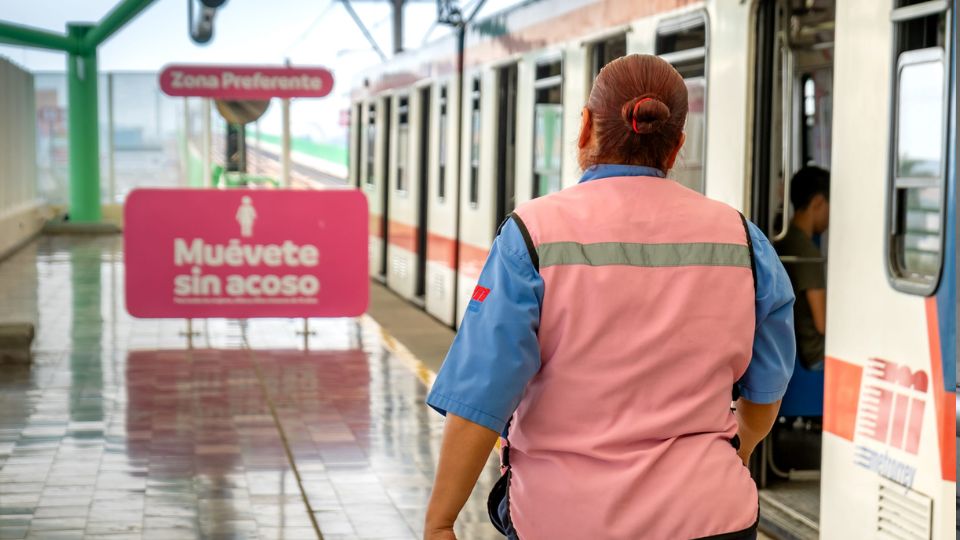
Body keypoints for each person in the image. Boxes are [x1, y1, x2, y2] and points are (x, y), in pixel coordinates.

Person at [423, 54, 796, 540]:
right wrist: (729, 454)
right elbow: (767, 388)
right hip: (713, 517)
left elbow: (480, 396)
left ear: (584, 127)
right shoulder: (741, 239)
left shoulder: (532, 234)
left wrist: (440, 522)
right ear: (675, 145)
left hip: (565, 521)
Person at [773, 166, 830, 371]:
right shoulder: (807, 253)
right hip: (815, 354)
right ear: (818, 202)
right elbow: (823, 323)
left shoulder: (785, 240)